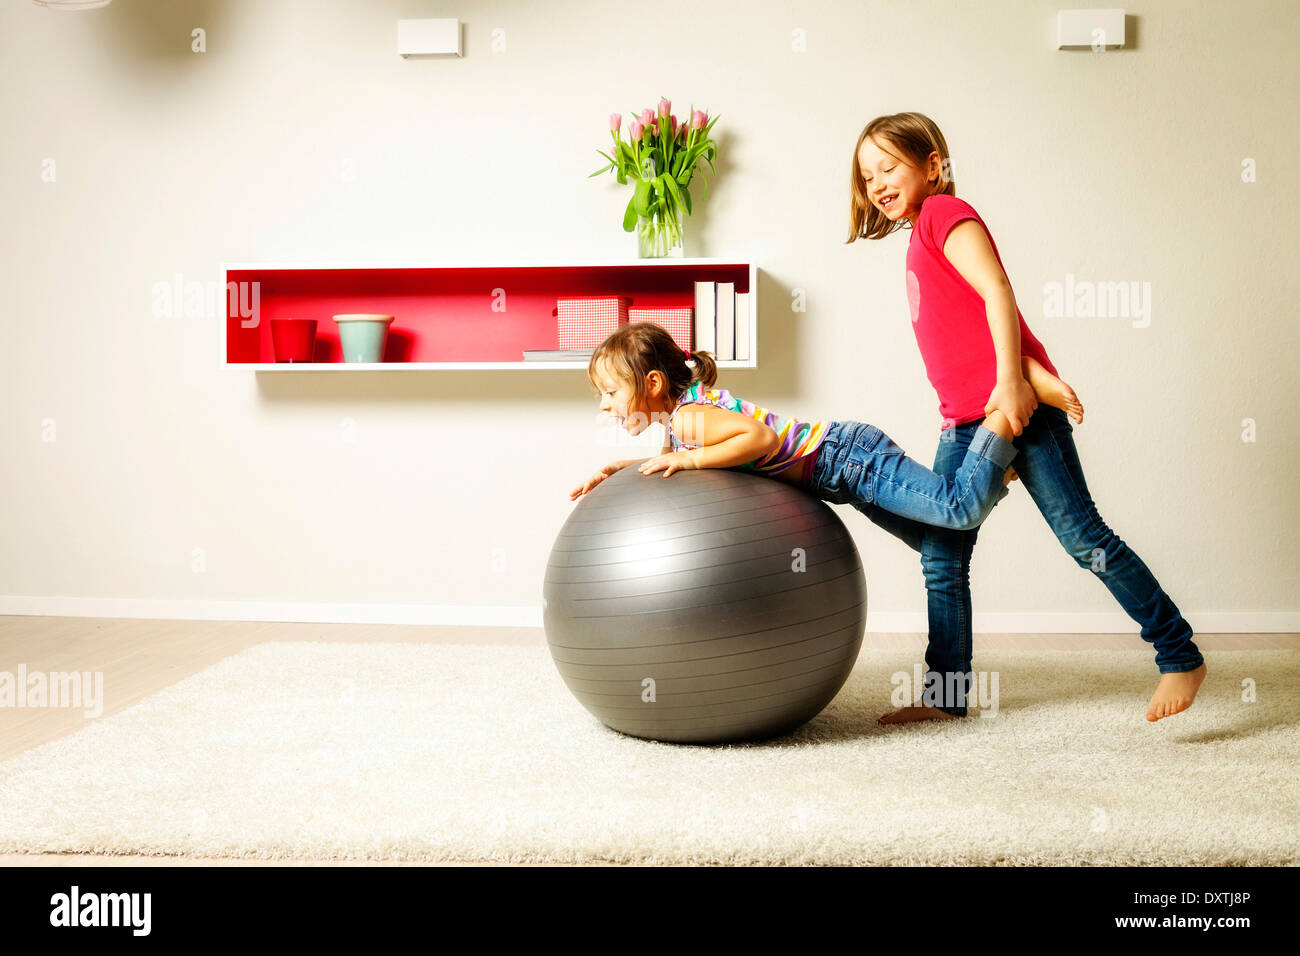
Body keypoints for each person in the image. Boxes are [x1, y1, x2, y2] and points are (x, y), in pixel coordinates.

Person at [846, 111, 1206, 723]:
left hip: (1012, 411)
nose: (878, 182)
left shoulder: (941, 215)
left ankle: (1179, 653)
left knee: (1084, 539)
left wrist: (1016, 382)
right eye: (867, 174)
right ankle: (946, 697)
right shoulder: (917, 234)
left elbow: (997, 291)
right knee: (942, 552)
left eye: (890, 166)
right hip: (963, 419)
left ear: (932, 165)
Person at [571, 321, 1084, 557]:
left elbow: (756, 438)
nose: (604, 404)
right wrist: (616, 471)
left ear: (653, 384)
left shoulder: (688, 422)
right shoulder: (681, 423)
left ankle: (1008, 401)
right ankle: (992, 468)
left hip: (847, 458)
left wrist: (690, 464)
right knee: (936, 545)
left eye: (611, 391)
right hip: (842, 476)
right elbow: (667, 461)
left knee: (957, 513)